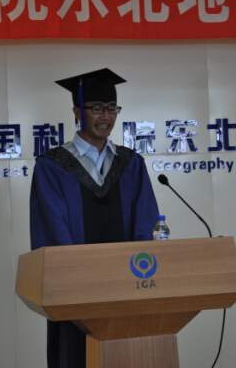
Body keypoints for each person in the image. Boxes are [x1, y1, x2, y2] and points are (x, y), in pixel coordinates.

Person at [29, 68, 159, 368]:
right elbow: (53, 228)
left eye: (112, 108)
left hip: (126, 288)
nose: (106, 116)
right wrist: (79, 278)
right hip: (76, 292)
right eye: (97, 108)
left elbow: (145, 220)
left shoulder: (131, 163)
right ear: (78, 112)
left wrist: (140, 275)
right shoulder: (53, 165)